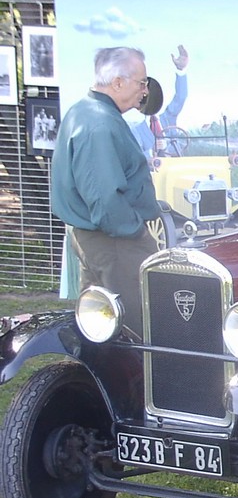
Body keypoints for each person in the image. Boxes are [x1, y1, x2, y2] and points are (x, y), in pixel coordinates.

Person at [51, 47, 161, 336]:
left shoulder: (84, 111)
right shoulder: (99, 123)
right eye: (142, 83)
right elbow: (104, 199)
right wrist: (136, 232)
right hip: (115, 242)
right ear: (118, 82)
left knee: (100, 323)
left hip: (98, 239)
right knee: (139, 327)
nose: (145, 91)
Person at [129, 45, 189, 158]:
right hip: (155, 169)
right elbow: (138, 157)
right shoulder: (136, 130)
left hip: (177, 164)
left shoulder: (169, 116)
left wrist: (181, 70)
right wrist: (153, 150)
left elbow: (181, 96)